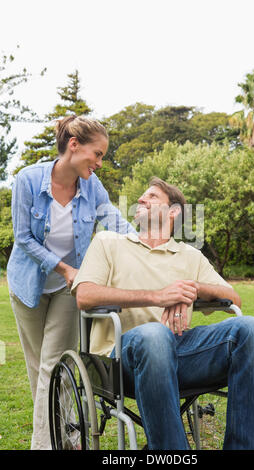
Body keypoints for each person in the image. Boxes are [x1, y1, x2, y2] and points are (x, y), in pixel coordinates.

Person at [71, 177, 254, 450]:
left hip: (183, 351)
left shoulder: (190, 255)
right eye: (143, 196)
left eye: (152, 196)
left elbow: (233, 298)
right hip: (122, 358)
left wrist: (192, 288)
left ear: (173, 212)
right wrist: (157, 296)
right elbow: (85, 295)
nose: (141, 200)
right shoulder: (109, 242)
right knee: (155, 335)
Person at [7, 115, 136, 450]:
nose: (100, 163)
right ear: (74, 145)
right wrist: (62, 267)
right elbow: (22, 238)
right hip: (27, 285)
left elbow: (113, 218)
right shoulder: (29, 180)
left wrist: (142, 247)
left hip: (69, 287)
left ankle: (45, 445)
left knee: (54, 363)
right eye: (98, 154)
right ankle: (69, 434)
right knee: (39, 368)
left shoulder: (91, 186)